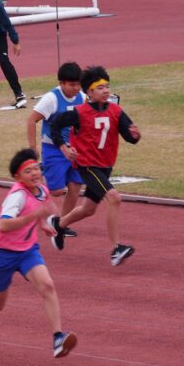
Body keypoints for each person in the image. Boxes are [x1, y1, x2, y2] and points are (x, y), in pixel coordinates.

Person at [0, 148, 77, 359]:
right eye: (28, 171)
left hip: (27, 251)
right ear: (17, 177)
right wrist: (35, 216)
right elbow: (4, 225)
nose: (35, 173)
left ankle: (57, 337)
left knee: (47, 285)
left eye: (36, 168)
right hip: (2, 255)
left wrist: (42, 223)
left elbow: (37, 209)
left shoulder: (42, 190)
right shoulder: (16, 196)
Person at [46, 66, 141, 266]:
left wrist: (135, 135)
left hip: (106, 165)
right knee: (114, 198)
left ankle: (58, 224)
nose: (106, 91)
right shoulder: (79, 112)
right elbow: (54, 125)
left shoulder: (116, 111)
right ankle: (116, 249)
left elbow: (128, 135)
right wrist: (63, 147)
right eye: (100, 88)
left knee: (89, 209)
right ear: (89, 92)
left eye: (107, 87)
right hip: (87, 165)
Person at [26, 61, 85, 238]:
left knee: (75, 186)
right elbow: (31, 120)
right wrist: (32, 148)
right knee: (56, 191)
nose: (76, 88)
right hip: (53, 149)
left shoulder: (82, 97)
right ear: (62, 83)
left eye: (78, 84)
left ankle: (61, 223)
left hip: (73, 150)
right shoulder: (51, 99)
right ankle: (43, 168)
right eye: (71, 85)